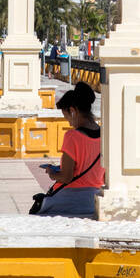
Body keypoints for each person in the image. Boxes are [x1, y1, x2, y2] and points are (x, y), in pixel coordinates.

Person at [38, 82, 103, 216]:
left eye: (66, 117)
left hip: (70, 200)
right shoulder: (105, 134)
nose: (69, 122)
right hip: (95, 198)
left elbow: (66, 177)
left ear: (73, 111)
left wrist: (51, 173)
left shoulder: (72, 136)